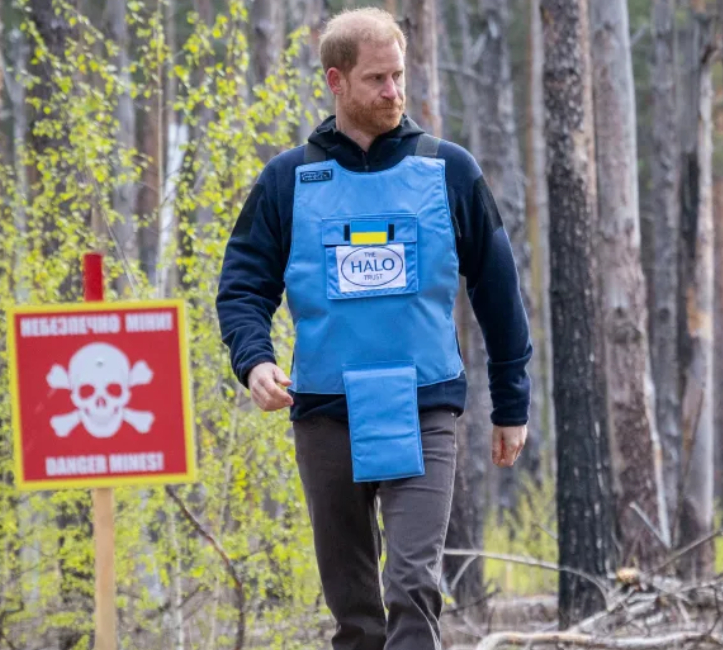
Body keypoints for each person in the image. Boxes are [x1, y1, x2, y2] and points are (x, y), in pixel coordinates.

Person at [216, 6, 532, 649]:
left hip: (423, 407)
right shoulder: (287, 181)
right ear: (335, 82)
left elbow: (499, 293)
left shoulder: (450, 172)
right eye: (377, 80)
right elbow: (243, 288)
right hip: (326, 412)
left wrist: (512, 404)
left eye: (399, 76)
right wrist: (254, 360)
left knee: (413, 584)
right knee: (354, 608)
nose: (394, 92)